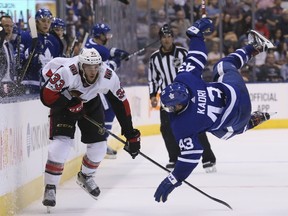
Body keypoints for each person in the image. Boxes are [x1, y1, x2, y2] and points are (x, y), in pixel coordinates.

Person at [154, 17, 274, 203]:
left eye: (171, 106)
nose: (169, 109)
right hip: (235, 91)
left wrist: (174, 178)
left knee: (224, 133)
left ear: (181, 104)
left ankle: (253, 121)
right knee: (223, 66)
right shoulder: (184, 79)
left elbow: (191, 157)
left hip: (238, 115)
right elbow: (197, 55)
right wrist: (196, 35)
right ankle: (254, 47)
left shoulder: (181, 124)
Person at [40, 47, 140, 208]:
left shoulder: (108, 75)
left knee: (100, 146)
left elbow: (121, 104)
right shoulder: (67, 72)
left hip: (91, 102)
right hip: (65, 99)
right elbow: (46, 95)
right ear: (81, 66)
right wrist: (68, 103)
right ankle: (50, 187)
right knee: (60, 146)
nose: (92, 71)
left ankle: (86, 176)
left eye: (95, 67)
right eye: (88, 67)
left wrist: (131, 134)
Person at [148, 23, 216, 172]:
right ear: (160, 39)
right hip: (167, 99)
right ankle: (174, 158)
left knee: (197, 126)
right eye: (164, 37)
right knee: (166, 128)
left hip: (187, 97)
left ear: (172, 38)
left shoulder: (183, 53)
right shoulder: (154, 58)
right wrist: (153, 95)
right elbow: (153, 79)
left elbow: (193, 70)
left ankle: (208, 158)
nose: (167, 39)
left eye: (169, 36)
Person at [85, 23, 129, 159]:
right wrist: (117, 61)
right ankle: (101, 145)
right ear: (99, 35)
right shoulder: (95, 48)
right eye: (106, 34)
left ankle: (101, 144)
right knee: (108, 111)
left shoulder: (91, 43)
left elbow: (108, 51)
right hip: (95, 86)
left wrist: (119, 54)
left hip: (96, 85)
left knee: (107, 111)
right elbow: (108, 67)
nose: (108, 37)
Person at [18, 8, 62, 94]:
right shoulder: (25, 36)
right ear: (37, 22)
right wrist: (30, 51)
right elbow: (18, 60)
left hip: (49, 86)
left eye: (49, 22)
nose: (46, 24)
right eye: (43, 21)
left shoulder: (55, 41)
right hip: (29, 83)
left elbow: (58, 63)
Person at [0, 15, 18, 97]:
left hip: (9, 86)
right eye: (6, 26)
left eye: (11, 26)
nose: (9, 29)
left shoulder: (9, 45)